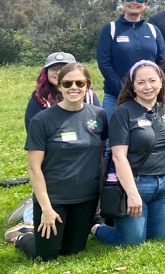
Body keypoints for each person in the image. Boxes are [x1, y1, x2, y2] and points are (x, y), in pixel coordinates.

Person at [15, 63, 107, 261]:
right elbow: (34, 167)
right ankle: (21, 236)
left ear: (87, 86)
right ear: (59, 86)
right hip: (54, 198)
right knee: (47, 256)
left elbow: (100, 158)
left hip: (85, 197)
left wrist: (99, 194)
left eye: (79, 83)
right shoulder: (42, 120)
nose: (73, 87)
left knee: (74, 250)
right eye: (67, 83)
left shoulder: (99, 116)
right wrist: (47, 208)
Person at [91, 60, 165, 246]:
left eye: (152, 80)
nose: (148, 86)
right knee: (133, 243)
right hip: (136, 183)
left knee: (158, 240)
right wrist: (132, 194)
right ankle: (97, 228)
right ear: (132, 86)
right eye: (141, 82)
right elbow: (118, 156)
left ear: (161, 81)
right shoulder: (123, 113)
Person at [97, 0, 165, 117]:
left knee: (147, 136)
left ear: (145, 4)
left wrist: (148, 89)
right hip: (115, 97)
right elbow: (104, 63)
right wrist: (125, 91)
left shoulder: (153, 30)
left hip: (148, 96)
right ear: (123, 2)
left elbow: (161, 62)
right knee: (112, 136)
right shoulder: (110, 29)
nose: (134, 2)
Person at [25, 51, 99, 131]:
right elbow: (33, 131)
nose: (58, 72)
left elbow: (99, 127)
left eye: (64, 68)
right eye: (53, 68)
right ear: (46, 72)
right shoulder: (40, 97)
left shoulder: (89, 96)